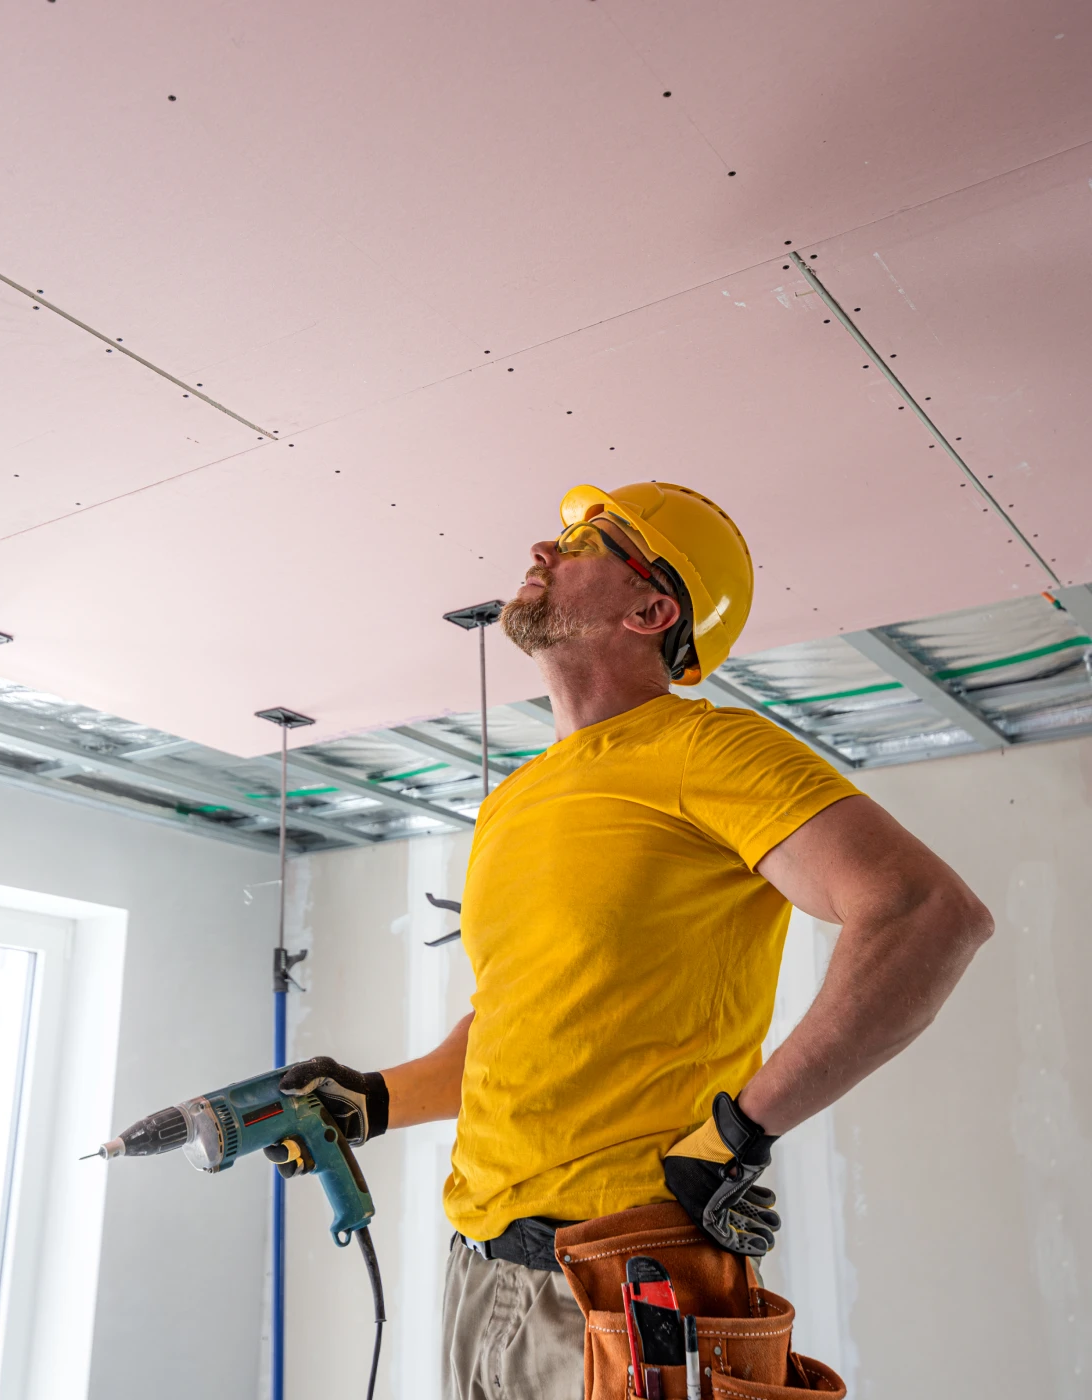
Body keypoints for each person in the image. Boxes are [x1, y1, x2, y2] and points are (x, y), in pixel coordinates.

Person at [276, 482, 993, 1399]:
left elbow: (927, 913)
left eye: (590, 540)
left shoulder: (713, 750)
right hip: (481, 1275)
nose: (545, 544)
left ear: (653, 609)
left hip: (627, 1283)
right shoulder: (512, 803)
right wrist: (371, 1100)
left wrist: (738, 1134)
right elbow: (515, 1026)